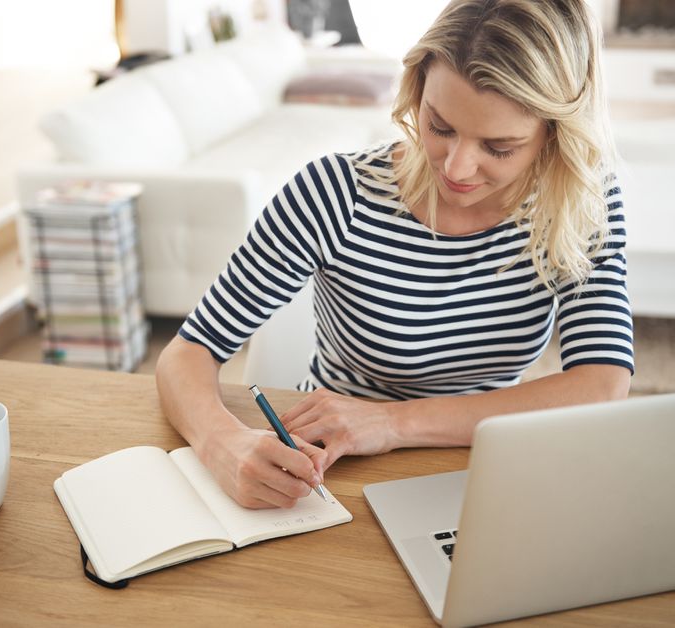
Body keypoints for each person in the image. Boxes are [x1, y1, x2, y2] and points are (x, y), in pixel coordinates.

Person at [156, 0, 633, 509]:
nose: (458, 167)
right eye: (440, 125)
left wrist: (392, 423)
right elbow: (189, 352)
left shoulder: (580, 200)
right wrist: (221, 443)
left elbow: (601, 383)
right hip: (330, 468)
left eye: (498, 147)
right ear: (417, 89)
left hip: (480, 460)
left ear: (553, 134)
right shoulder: (336, 192)